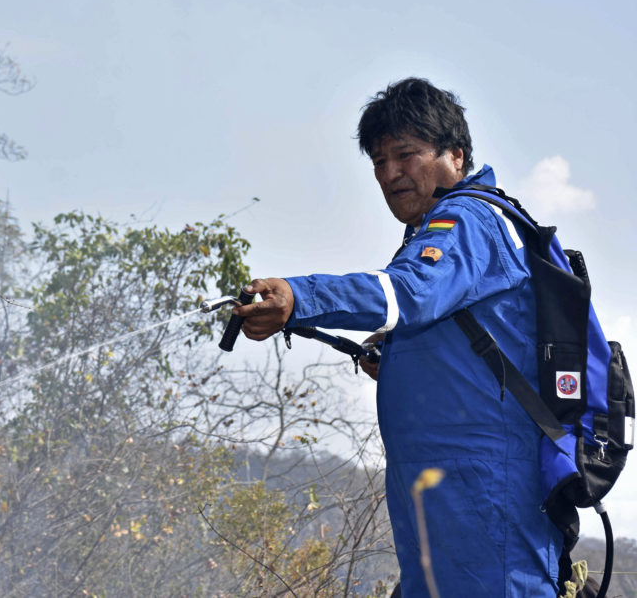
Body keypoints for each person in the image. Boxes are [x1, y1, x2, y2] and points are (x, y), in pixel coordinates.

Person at [234, 77, 562, 596]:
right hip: (438, 491)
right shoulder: (434, 229)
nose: (390, 174)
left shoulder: (468, 221)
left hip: (484, 490)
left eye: (405, 155)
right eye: (379, 164)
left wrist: (300, 298)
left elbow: (405, 296)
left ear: (455, 155)